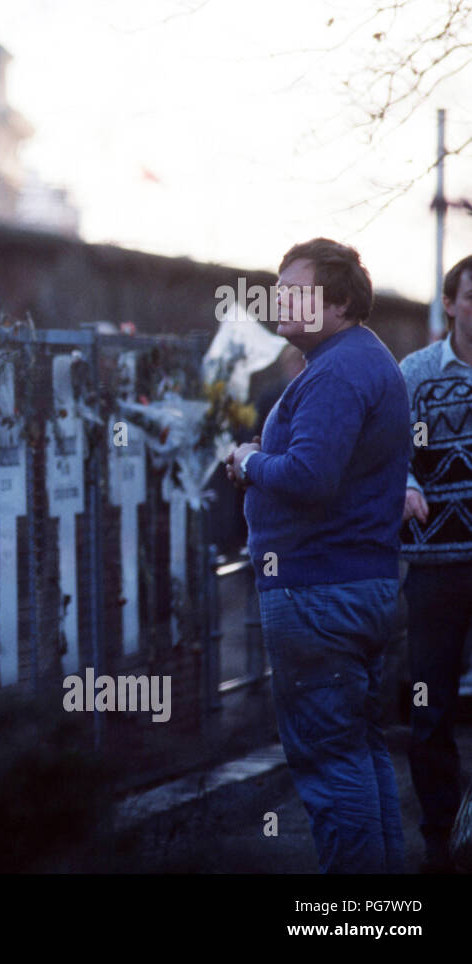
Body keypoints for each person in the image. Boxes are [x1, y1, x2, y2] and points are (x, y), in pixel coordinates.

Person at [225, 238, 409, 873]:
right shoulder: (357, 360)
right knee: (358, 752)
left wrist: (250, 462)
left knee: (331, 766)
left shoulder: (334, 371)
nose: (277, 299)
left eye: (292, 289)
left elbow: (309, 476)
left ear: (335, 302)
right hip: (352, 587)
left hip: (317, 595)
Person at [397, 252, 472, 872]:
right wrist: (403, 483)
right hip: (435, 569)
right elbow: (386, 447)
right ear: (450, 304)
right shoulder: (417, 374)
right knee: (430, 706)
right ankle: (439, 840)